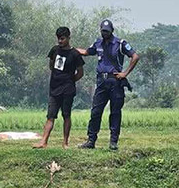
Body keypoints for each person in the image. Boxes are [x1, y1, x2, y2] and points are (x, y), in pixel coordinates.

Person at [76, 20, 140, 151]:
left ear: (112, 31)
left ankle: (113, 141)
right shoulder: (98, 43)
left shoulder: (120, 43)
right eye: (103, 31)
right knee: (95, 112)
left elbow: (135, 57)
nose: (105, 33)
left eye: (107, 31)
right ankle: (91, 140)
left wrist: (125, 73)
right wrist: (70, 49)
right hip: (101, 82)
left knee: (115, 112)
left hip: (115, 82)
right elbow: (87, 52)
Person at [33, 27, 84, 149]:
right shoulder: (54, 50)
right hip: (54, 89)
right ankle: (43, 142)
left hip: (68, 90)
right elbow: (51, 65)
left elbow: (80, 73)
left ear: (68, 38)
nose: (60, 41)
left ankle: (65, 143)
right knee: (50, 116)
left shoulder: (75, 54)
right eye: (58, 39)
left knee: (66, 115)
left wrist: (70, 81)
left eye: (62, 38)